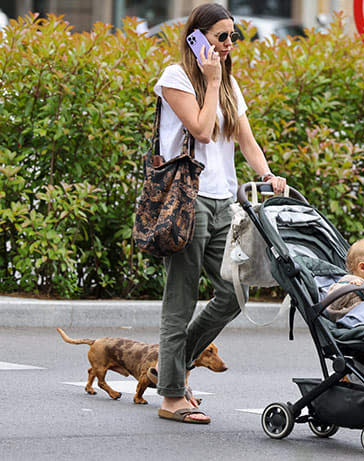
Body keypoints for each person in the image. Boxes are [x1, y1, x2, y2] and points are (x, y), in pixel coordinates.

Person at [151, 3, 286, 425]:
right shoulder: (176, 77)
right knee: (180, 300)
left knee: (233, 293)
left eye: (233, 37)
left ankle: (174, 367)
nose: (228, 45)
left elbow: (243, 137)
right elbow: (202, 129)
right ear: (197, 37)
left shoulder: (228, 83)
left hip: (224, 202)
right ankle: (172, 396)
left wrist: (267, 174)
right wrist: (210, 81)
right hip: (187, 201)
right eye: (220, 37)